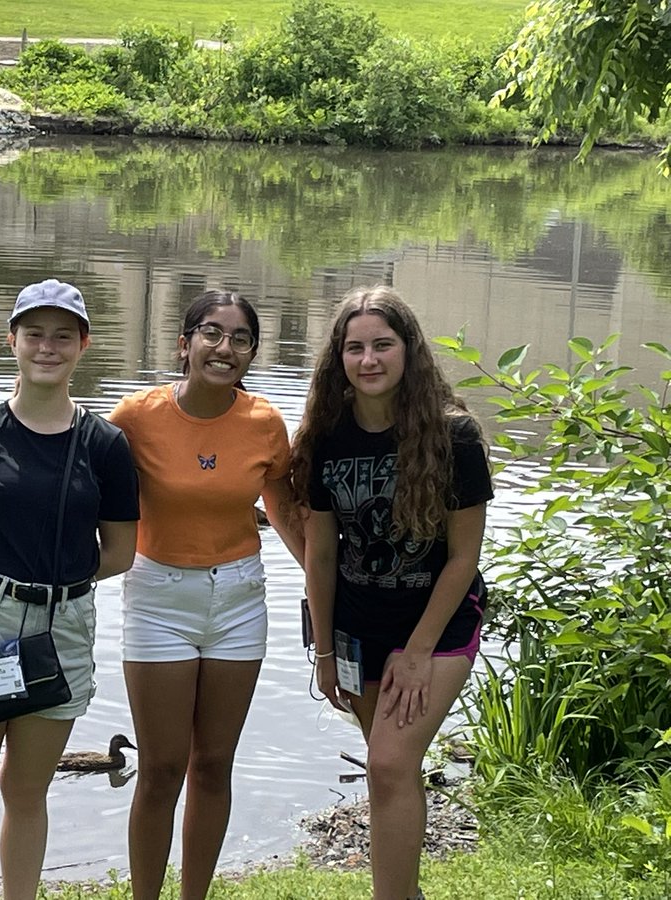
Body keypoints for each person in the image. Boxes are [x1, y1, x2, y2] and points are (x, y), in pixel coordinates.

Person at [0, 278, 140, 900]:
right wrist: (1, 567)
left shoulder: (106, 445)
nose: (48, 347)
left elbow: (119, 554)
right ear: (11, 340)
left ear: (83, 346)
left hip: (64, 626)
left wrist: (53, 579)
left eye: (62, 336)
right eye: (35, 334)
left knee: (27, 791)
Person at [290, 285, 492, 900]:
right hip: (358, 629)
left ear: (409, 351)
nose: (369, 359)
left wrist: (415, 651)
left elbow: (463, 560)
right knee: (389, 770)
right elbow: (321, 555)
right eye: (355, 348)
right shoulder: (326, 439)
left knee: (387, 763)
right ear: (339, 359)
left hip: (438, 626)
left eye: (383, 344)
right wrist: (324, 652)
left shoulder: (453, 437)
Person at [108, 290, 305, 900]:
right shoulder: (135, 417)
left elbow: (289, 517)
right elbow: (82, 491)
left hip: (240, 599)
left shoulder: (265, 423)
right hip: (159, 596)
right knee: (162, 767)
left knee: (213, 764)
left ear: (252, 352)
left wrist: (328, 597)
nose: (225, 348)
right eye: (212, 334)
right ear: (184, 343)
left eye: (240, 338)